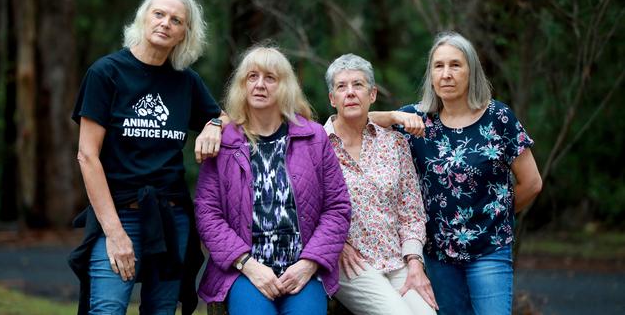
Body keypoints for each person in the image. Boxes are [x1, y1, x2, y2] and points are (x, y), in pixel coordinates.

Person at [69, 0, 227, 315]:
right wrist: (114, 233)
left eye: (176, 20)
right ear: (144, 17)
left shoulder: (186, 81)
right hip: (118, 212)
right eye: (159, 14)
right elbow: (87, 156)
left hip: (172, 215)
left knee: (162, 310)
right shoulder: (106, 73)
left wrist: (214, 125)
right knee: (107, 308)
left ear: (185, 33)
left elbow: (226, 119)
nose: (165, 23)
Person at [371, 31, 543, 315]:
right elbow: (351, 121)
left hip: (489, 251)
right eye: (439, 66)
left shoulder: (498, 118)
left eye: (455, 65)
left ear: (471, 71)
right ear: (431, 75)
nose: (446, 74)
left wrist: (496, 217)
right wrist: (393, 116)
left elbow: (532, 183)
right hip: (438, 256)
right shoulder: (417, 119)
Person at [194, 46, 351, 315]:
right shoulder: (224, 143)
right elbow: (207, 213)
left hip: (301, 270)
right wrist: (248, 264)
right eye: (252, 77)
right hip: (244, 272)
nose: (259, 85)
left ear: (284, 86)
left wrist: (309, 263)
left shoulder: (313, 138)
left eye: (270, 77)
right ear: (242, 86)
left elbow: (337, 207)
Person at [323, 54, 437, 315]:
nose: (350, 93)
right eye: (341, 87)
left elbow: (411, 212)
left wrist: (415, 263)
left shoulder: (394, 143)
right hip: (349, 263)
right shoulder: (317, 145)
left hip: (397, 260)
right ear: (332, 99)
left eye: (358, 85)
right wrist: (336, 242)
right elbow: (306, 207)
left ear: (372, 94)